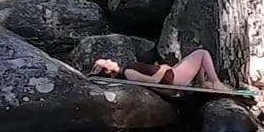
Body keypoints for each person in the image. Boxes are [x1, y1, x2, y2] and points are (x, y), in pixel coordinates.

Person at [91, 49, 236, 92]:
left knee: (195, 56)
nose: (109, 60)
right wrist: (163, 68)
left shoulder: (127, 69)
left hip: (171, 73)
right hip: (174, 77)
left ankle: (203, 82)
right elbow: (153, 81)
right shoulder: (128, 73)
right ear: (109, 72)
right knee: (202, 53)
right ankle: (215, 82)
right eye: (106, 62)